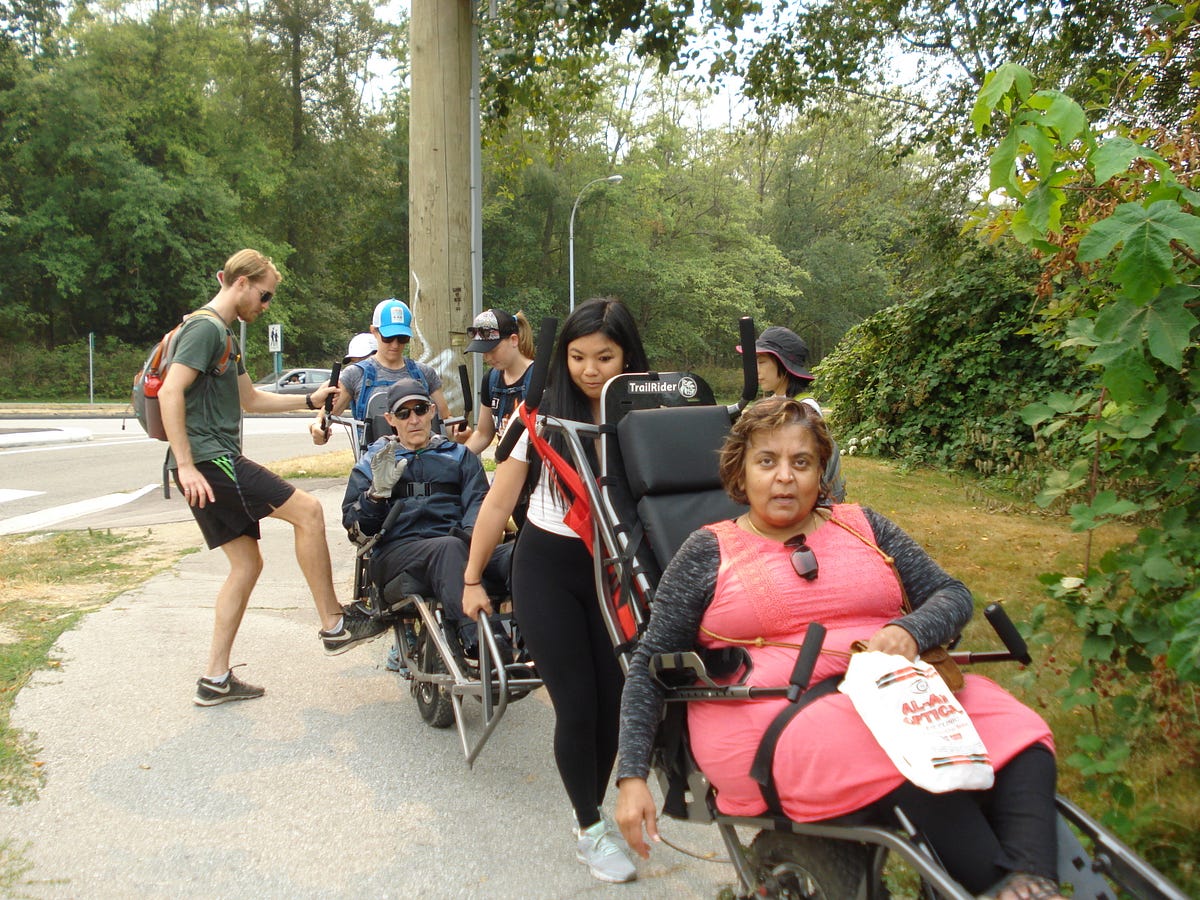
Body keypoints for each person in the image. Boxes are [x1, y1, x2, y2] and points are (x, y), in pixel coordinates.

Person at [614, 397, 1064, 900]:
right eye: (767, 461)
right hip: (770, 717)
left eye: (801, 462)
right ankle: (998, 886)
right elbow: (650, 665)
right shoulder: (706, 550)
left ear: (820, 471)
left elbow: (952, 594)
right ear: (740, 471)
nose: (785, 477)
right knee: (908, 751)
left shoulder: (863, 526)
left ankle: (1031, 878)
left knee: (1017, 730)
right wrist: (632, 776)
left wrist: (913, 630)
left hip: (894, 692)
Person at [462, 298, 649, 884]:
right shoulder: (540, 418)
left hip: (613, 570)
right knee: (576, 703)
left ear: (628, 357)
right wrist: (472, 578)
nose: (590, 370)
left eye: (605, 357)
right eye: (577, 356)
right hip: (547, 569)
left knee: (615, 703)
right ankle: (590, 826)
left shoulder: (646, 418)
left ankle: (590, 811)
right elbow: (498, 502)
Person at [159, 249, 390, 708]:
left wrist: (308, 401)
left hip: (209, 462)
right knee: (308, 511)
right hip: (210, 462)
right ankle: (334, 625)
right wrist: (185, 465)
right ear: (241, 283)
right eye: (264, 296)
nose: (266, 306)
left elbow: (250, 399)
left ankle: (215, 678)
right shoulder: (205, 329)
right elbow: (170, 392)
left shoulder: (225, 336)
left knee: (247, 565)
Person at [341, 377, 511, 661]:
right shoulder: (374, 461)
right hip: (399, 554)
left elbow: (479, 505)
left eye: (420, 409)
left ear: (432, 411)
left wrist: (472, 542)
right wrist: (375, 496)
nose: (414, 420)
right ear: (390, 419)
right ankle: (483, 644)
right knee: (448, 548)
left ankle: (540, 644)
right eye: (403, 413)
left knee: (525, 552)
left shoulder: (460, 456)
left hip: (460, 547)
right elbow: (355, 528)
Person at [309, 298, 451, 446]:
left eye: (402, 338)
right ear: (374, 331)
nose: (395, 344)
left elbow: (446, 420)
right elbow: (324, 419)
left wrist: (458, 431)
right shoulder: (355, 374)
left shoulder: (425, 373)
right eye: (388, 337)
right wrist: (317, 428)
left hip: (425, 457)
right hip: (373, 458)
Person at [737, 325, 846, 503]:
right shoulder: (775, 401)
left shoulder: (804, 411)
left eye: (762, 362)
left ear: (783, 364)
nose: (756, 370)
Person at [456, 308, 535, 456]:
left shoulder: (540, 378)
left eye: (493, 350)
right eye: (483, 352)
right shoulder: (490, 379)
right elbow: (483, 434)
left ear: (514, 340)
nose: (487, 357)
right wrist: (456, 459)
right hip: (505, 464)